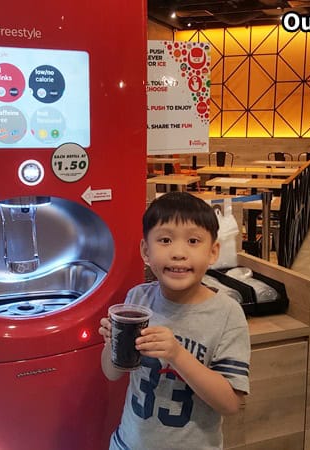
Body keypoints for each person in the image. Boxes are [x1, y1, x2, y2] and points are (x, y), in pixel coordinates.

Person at [99, 191, 250, 450]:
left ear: (213, 252)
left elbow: (231, 403)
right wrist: (112, 342)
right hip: (129, 443)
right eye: (165, 240)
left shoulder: (227, 314)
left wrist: (177, 355)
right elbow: (112, 373)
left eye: (193, 241)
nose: (178, 253)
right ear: (146, 251)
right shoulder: (137, 300)